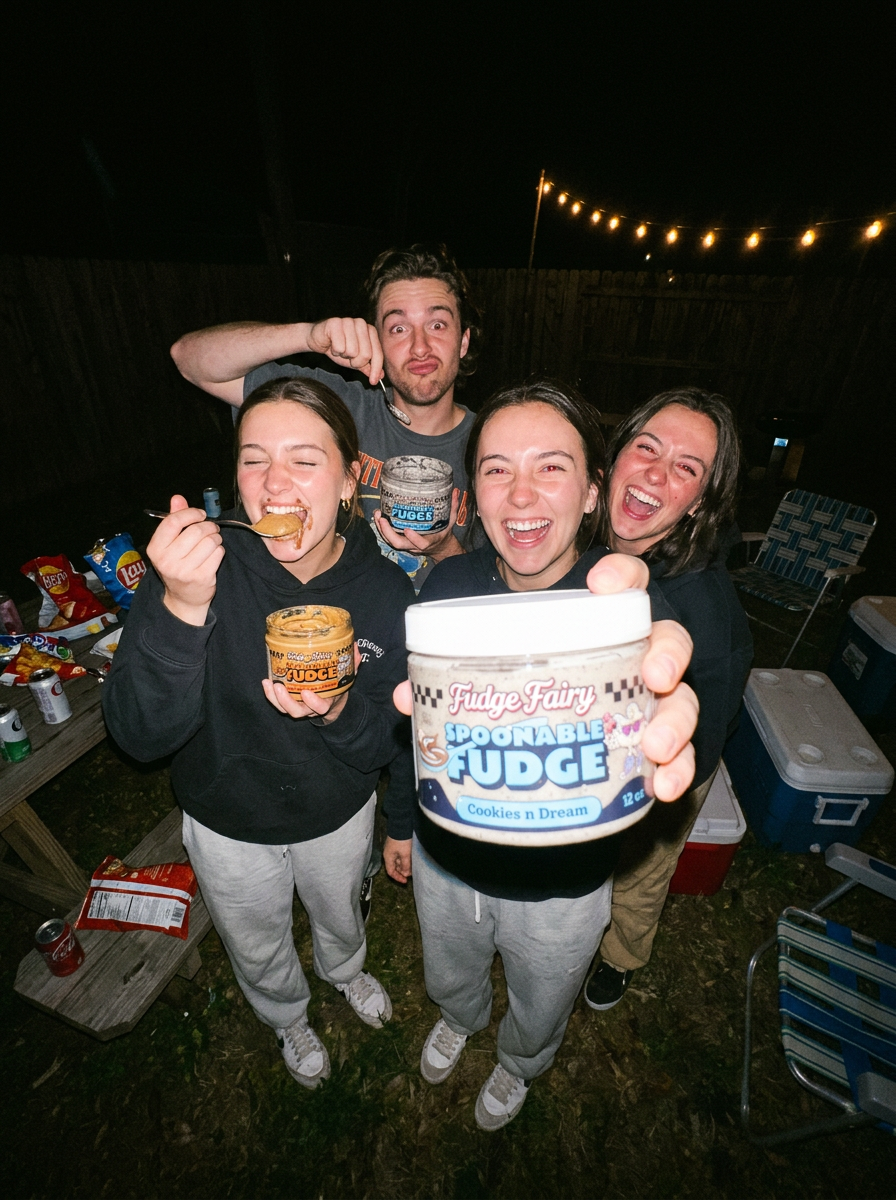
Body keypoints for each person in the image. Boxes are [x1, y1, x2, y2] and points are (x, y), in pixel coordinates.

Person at [386, 381, 699, 1130]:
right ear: (473, 494)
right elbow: (417, 731)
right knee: (450, 965)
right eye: (496, 469)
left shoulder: (620, 610)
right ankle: (460, 1017)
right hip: (449, 856)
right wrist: (400, 822)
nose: (520, 493)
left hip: (566, 883)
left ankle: (521, 1060)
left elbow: (666, 692)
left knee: (544, 991)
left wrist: (665, 701)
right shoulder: (447, 585)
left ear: (592, 492)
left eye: (551, 467)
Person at [103, 376, 415, 1089]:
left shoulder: (385, 594)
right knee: (255, 936)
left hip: (337, 811)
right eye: (254, 459)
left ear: (350, 481)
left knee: (340, 912)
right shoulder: (198, 573)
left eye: (304, 459)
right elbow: (139, 736)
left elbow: (387, 746)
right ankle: (285, 1014)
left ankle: (345, 970)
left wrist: (338, 710)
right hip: (226, 818)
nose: (274, 483)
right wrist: (183, 606)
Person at [170, 243, 482, 590]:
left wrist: (444, 549)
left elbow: (499, 591)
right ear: (376, 341)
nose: (420, 346)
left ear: (463, 341)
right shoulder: (333, 407)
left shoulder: (493, 447)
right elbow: (189, 359)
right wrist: (307, 335)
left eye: (437, 324)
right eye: (398, 328)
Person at [584, 387, 753, 1012]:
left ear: (700, 501)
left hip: (682, 747)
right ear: (616, 457)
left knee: (640, 867)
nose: (655, 473)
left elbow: (701, 735)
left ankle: (622, 956)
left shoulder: (702, 611)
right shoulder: (583, 532)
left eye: (686, 467)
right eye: (646, 448)